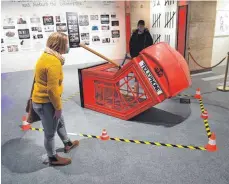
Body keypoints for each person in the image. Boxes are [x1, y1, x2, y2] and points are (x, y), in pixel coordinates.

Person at [32, 32, 79, 166]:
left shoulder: (46, 55)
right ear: (60, 45)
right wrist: (58, 108)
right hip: (46, 103)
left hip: (45, 101)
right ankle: (52, 157)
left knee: (60, 122)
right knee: (50, 133)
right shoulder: (53, 62)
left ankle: (67, 143)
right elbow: (52, 90)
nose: (68, 46)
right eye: (66, 43)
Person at [129, 20, 153, 95]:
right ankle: (136, 85)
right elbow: (131, 44)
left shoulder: (147, 34)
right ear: (137, 26)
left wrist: (147, 54)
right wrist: (132, 55)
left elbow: (151, 44)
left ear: (144, 26)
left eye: (142, 26)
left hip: (144, 57)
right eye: (139, 26)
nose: (140, 27)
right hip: (136, 56)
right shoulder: (134, 34)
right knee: (136, 71)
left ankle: (146, 86)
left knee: (144, 71)